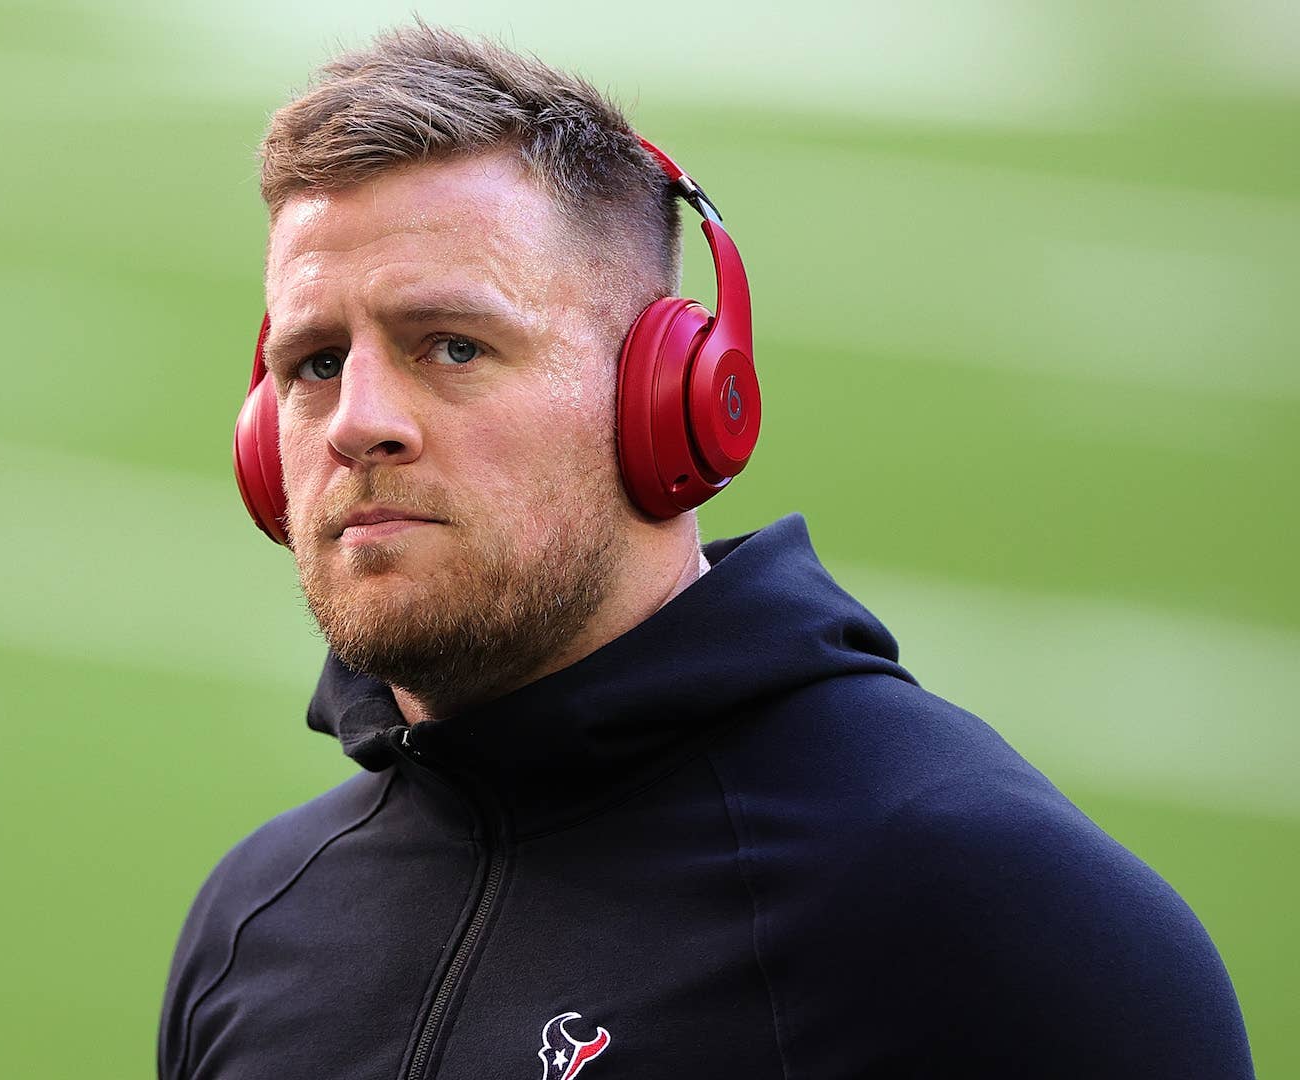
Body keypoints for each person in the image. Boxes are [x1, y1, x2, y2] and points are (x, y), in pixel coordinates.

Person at [161, 24, 1252, 1080]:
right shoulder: (256, 927)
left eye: (452, 344)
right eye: (312, 363)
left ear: (670, 397)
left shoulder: (983, 908)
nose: (357, 421)